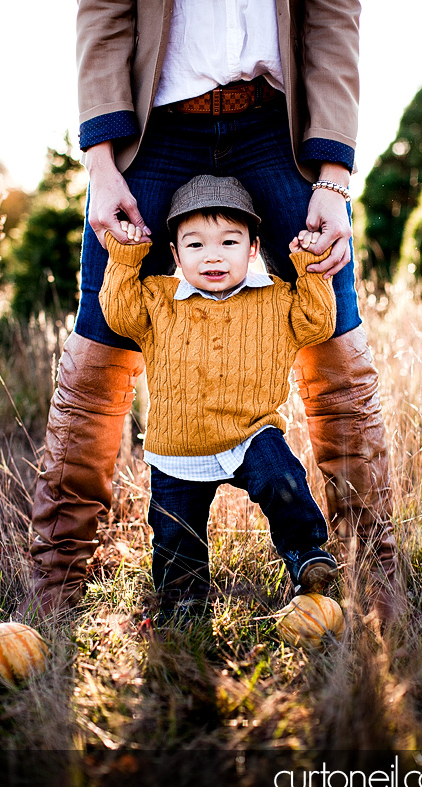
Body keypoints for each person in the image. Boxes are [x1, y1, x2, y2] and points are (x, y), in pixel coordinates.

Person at [20, 0, 398, 623]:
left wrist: (334, 178)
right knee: (98, 346)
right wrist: (99, 163)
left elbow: (333, 16)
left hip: (277, 129)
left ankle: (376, 573)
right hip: (154, 130)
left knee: (336, 343)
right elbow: (103, 13)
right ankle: (54, 582)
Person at [99, 174, 338, 619]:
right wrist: (125, 257)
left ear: (252, 248)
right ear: (174, 254)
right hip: (178, 448)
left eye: (229, 242)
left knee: (282, 478)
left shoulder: (275, 298)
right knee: (176, 538)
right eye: (195, 245)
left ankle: (307, 556)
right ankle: (184, 605)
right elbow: (117, 313)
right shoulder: (158, 299)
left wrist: (309, 267)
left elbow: (317, 322)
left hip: (251, 432)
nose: (212, 256)